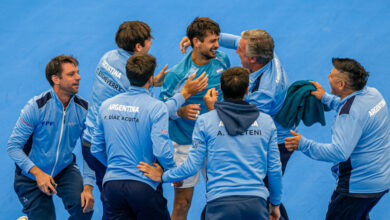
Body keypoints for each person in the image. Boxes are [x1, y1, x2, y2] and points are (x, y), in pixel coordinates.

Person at [139, 67, 283, 220]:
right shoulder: (266, 123)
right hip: (256, 205)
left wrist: (163, 176)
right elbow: (274, 169)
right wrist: (275, 204)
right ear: (247, 90)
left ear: (221, 88)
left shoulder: (205, 121)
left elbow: (192, 166)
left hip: (219, 205)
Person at [82, 21, 208, 194]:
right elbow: (156, 110)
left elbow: (125, 86)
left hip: (91, 143)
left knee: (114, 204)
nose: (151, 43)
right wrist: (185, 94)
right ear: (138, 47)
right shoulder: (128, 78)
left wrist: (152, 81)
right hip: (114, 149)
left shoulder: (108, 57)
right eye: (149, 41)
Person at [285, 58, 390, 219]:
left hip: (357, 187)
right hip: (381, 180)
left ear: (341, 85)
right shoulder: (373, 94)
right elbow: (355, 108)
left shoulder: (348, 115)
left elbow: (339, 153)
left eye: (332, 75)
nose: (328, 76)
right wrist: (326, 98)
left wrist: (303, 144)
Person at [91, 53, 178, 220]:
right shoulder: (157, 107)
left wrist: (117, 166)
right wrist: (171, 172)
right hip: (143, 186)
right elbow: (161, 149)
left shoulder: (106, 105)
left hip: (112, 188)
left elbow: (96, 149)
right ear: (151, 78)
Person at [159, 17, 230, 220]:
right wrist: (179, 111)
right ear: (196, 42)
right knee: (182, 204)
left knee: (220, 198)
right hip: (185, 144)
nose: (217, 45)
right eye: (212, 41)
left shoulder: (223, 60)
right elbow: (161, 110)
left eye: (217, 39)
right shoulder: (177, 74)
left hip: (217, 139)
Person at [7, 55, 95, 219]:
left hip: (64, 169)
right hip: (30, 175)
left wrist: (88, 187)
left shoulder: (83, 109)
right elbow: (13, 146)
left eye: (77, 72)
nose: (79, 77)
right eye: (71, 74)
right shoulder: (36, 107)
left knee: (84, 209)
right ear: (56, 79)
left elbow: (90, 150)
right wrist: (38, 173)